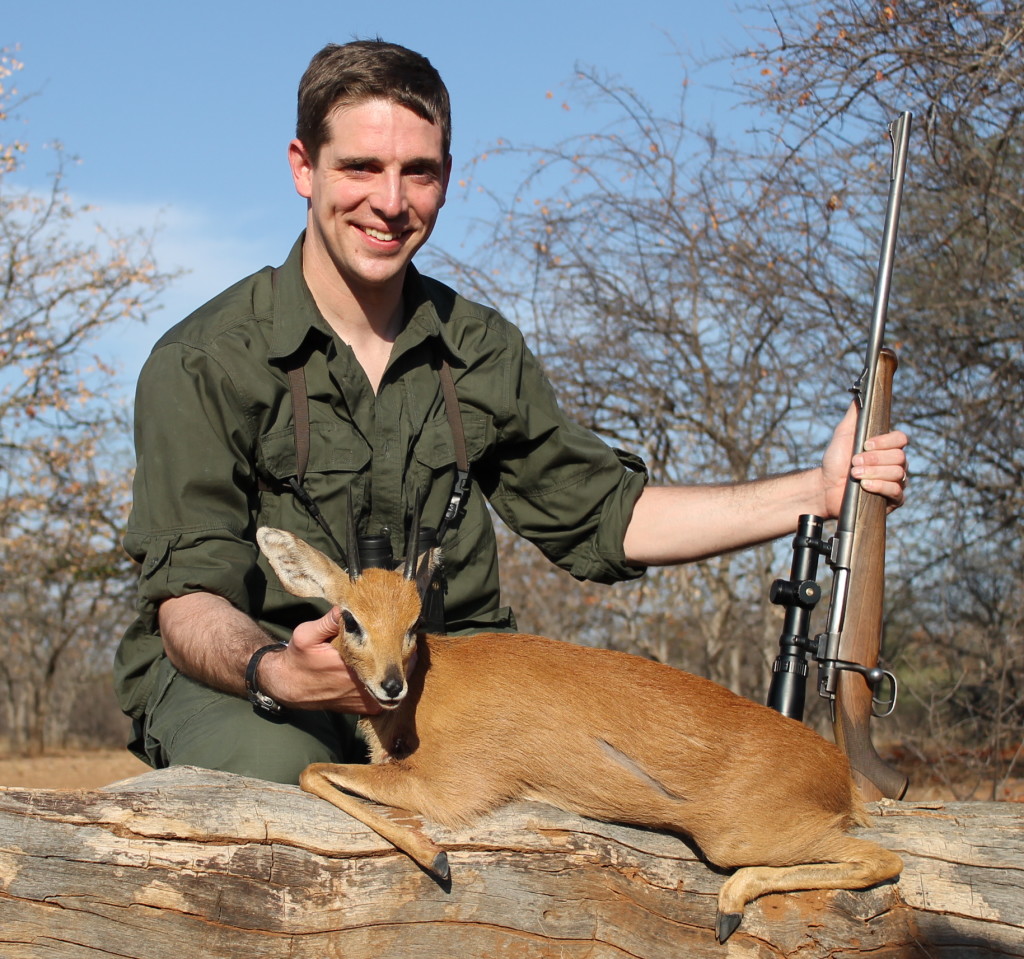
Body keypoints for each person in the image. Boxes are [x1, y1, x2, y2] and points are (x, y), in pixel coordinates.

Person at [113, 40, 909, 784]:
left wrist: (817, 492)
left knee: (635, 783)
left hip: (444, 678)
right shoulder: (205, 358)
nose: (390, 202)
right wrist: (277, 668)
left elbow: (605, 516)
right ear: (303, 168)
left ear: (448, 176)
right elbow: (188, 601)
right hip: (251, 682)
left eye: (417, 172)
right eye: (360, 166)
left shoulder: (480, 349)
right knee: (283, 779)